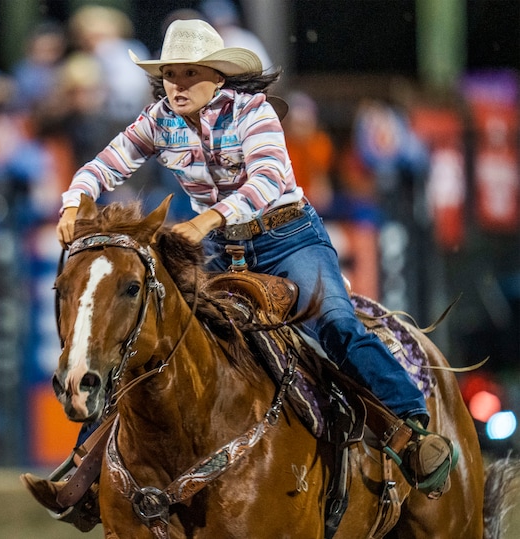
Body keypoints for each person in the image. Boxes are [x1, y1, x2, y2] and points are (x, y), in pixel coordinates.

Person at [22, 19, 455, 518]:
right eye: (169, 75)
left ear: (218, 77)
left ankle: (410, 428)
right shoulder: (158, 119)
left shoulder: (254, 113)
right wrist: (74, 203)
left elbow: (269, 178)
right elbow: (105, 164)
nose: (177, 85)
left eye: (189, 74)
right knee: (151, 333)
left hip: (287, 238)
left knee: (335, 323)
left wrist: (206, 220)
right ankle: (85, 470)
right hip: (220, 246)